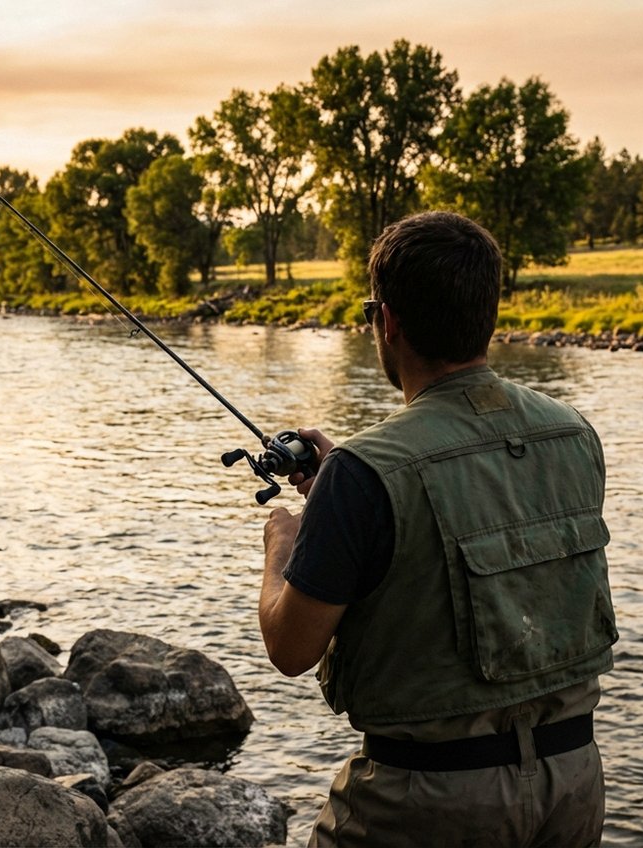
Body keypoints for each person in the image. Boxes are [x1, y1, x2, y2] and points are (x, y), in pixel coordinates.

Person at [258, 210, 618, 848]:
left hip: (424, 805)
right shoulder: (574, 433)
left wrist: (284, 550)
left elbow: (291, 649)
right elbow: (489, 520)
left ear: (388, 321)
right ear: (488, 313)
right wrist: (352, 490)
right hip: (574, 785)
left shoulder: (362, 476)